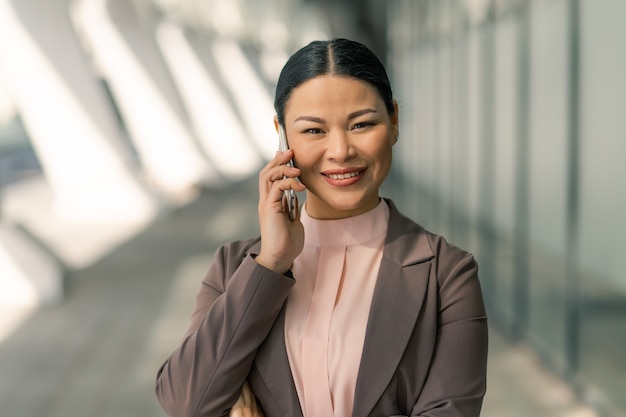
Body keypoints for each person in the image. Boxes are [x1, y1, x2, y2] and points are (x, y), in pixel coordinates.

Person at [155, 38, 488, 417]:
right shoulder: (235, 267)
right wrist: (272, 262)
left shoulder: (446, 274)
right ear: (282, 134)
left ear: (394, 121)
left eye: (361, 124)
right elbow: (185, 403)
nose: (341, 150)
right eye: (314, 131)